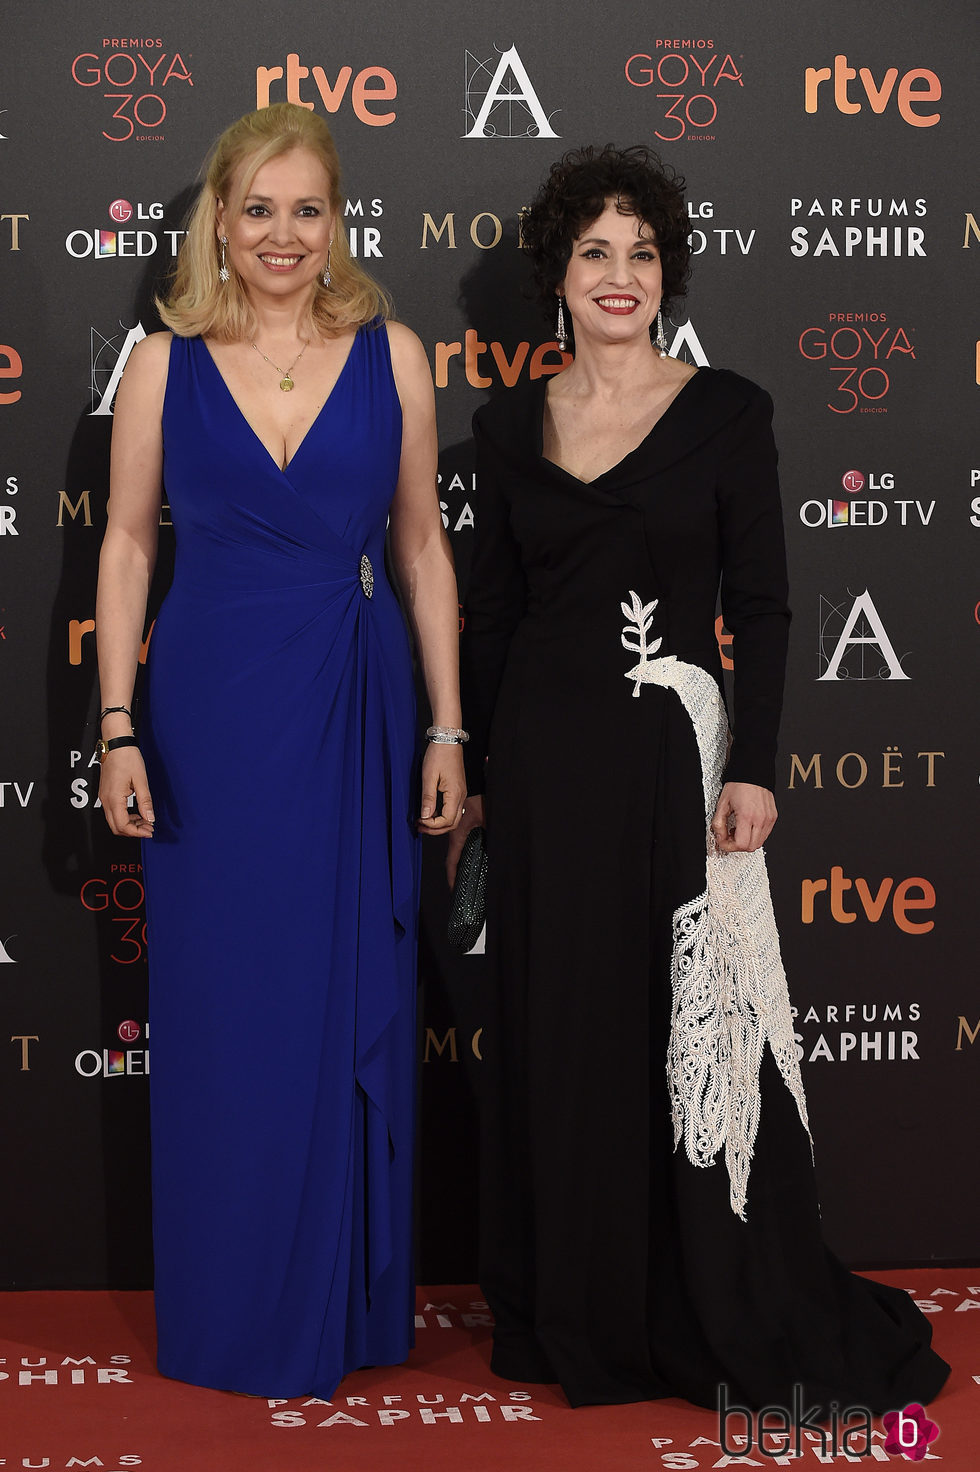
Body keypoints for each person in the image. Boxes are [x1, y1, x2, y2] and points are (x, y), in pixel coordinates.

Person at [449, 145, 949, 1413]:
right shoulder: (504, 428)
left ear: (665, 272)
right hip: (547, 772)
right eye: (593, 253)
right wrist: (484, 776)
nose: (618, 276)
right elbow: (492, 618)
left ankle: (700, 1292)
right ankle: (577, 1310)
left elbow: (765, 606)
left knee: (684, 1035)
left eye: (641, 253)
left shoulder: (730, 411)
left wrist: (756, 768)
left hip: (678, 771)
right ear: (555, 277)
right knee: (564, 1036)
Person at [95, 102, 466, 1398]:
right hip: (208, 716)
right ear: (219, 218)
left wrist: (448, 725)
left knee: (340, 993)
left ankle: (345, 1305)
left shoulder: (396, 354)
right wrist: (117, 723)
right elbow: (129, 546)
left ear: (336, 217)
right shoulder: (161, 363)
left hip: (354, 707)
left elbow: (420, 546)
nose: (283, 235)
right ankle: (237, 1309)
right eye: (258, 209)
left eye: (307, 209)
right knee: (228, 1013)